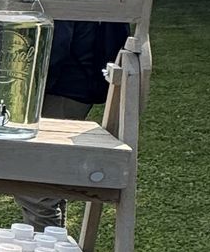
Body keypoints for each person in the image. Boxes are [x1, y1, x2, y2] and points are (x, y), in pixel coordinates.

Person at [20, 20, 130, 231]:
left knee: (35, 186)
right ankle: (52, 248)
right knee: (45, 181)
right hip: (74, 83)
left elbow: (57, 45)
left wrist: (25, 84)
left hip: (63, 85)